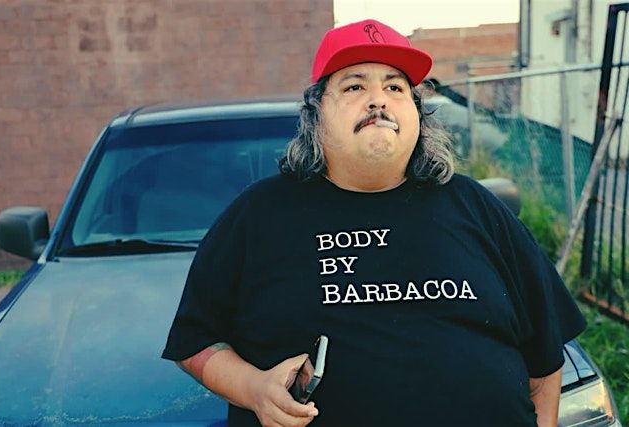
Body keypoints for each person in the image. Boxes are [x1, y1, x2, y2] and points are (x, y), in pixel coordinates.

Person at [162, 19, 586, 427]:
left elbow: (546, 361)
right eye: (354, 86)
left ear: (418, 114)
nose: (378, 100)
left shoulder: (475, 205)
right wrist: (255, 389)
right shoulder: (259, 214)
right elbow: (194, 342)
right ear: (315, 114)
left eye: (395, 87)